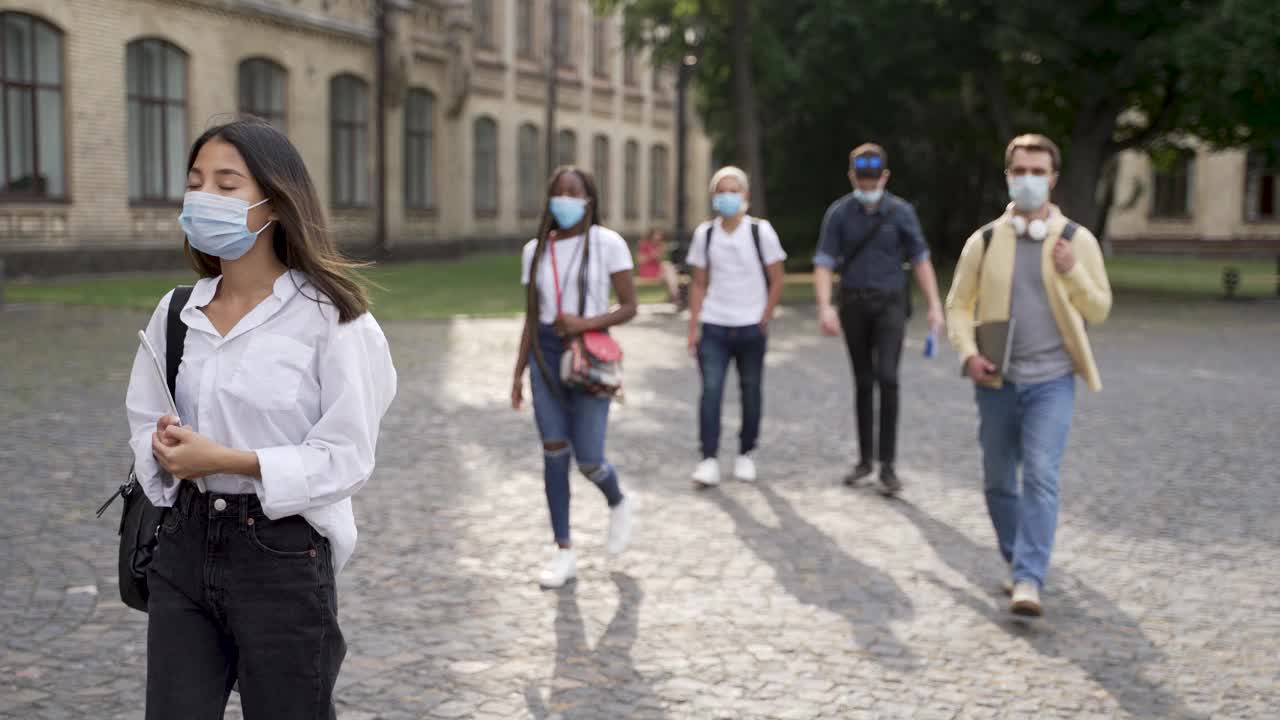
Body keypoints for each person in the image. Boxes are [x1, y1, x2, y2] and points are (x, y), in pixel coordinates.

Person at [126, 119, 397, 718]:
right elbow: (145, 421)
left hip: (282, 557)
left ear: (274, 203)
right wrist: (166, 449)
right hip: (183, 548)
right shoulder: (176, 312)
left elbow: (346, 457)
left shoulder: (335, 319)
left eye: (227, 184)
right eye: (196, 182)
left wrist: (226, 460)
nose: (204, 198)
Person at [945, 134, 1112, 617]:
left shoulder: (1075, 241)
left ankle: (1028, 578)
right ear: (1008, 176)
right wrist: (969, 353)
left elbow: (1099, 309)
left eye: (1039, 172)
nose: (1030, 180)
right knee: (999, 481)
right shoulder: (986, 240)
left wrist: (1072, 272)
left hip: (1052, 381)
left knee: (1040, 475)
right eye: (1021, 171)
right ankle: (1017, 558)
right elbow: (959, 305)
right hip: (996, 380)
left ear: (1053, 178)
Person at [512, 166, 637, 589]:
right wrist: (517, 373)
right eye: (558, 192)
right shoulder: (535, 250)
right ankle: (564, 550)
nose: (564, 199)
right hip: (544, 356)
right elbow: (531, 315)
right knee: (553, 452)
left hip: (588, 350)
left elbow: (629, 306)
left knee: (588, 458)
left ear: (589, 199)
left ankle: (618, 501)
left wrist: (584, 323)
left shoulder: (608, 244)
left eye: (573, 192)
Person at [813, 143, 944, 496]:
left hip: (890, 305)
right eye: (862, 180)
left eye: (874, 181)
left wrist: (934, 304)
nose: (868, 187)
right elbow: (824, 261)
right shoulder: (839, 214)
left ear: (885, 177)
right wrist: (825, 306)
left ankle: (888, 465)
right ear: (852, 176)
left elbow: (920, 259)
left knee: (888, 377)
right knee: (863, 381)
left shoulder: (901, 212)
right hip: (853, 305)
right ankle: (864, 460)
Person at [686, 166, 786, 486]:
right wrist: (694, 326)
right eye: (721, 191)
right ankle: (708, 457)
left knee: (751, 391)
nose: (727, 197)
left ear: (745, 196)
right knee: (711, 391)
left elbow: (777, 277)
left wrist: (764, 315)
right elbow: (698, 283)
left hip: (750, 326)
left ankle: (746, 452)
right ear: (714, 197)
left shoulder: (761, 232)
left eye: (733, 190)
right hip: (714, 325)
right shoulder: (706, 234)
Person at [636, 227, 682, 307]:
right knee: (669, 268)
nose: (659, 237)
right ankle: (676, 296)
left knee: (669, 267)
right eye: (657, 234)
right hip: (648, 271)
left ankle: (674, 295)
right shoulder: (644, 244)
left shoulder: (660, 245)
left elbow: (659, 260)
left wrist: (660, 253)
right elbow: (641, 260)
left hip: (657, 270)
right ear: (651, 235)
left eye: (660, 235)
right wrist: (652, 255)